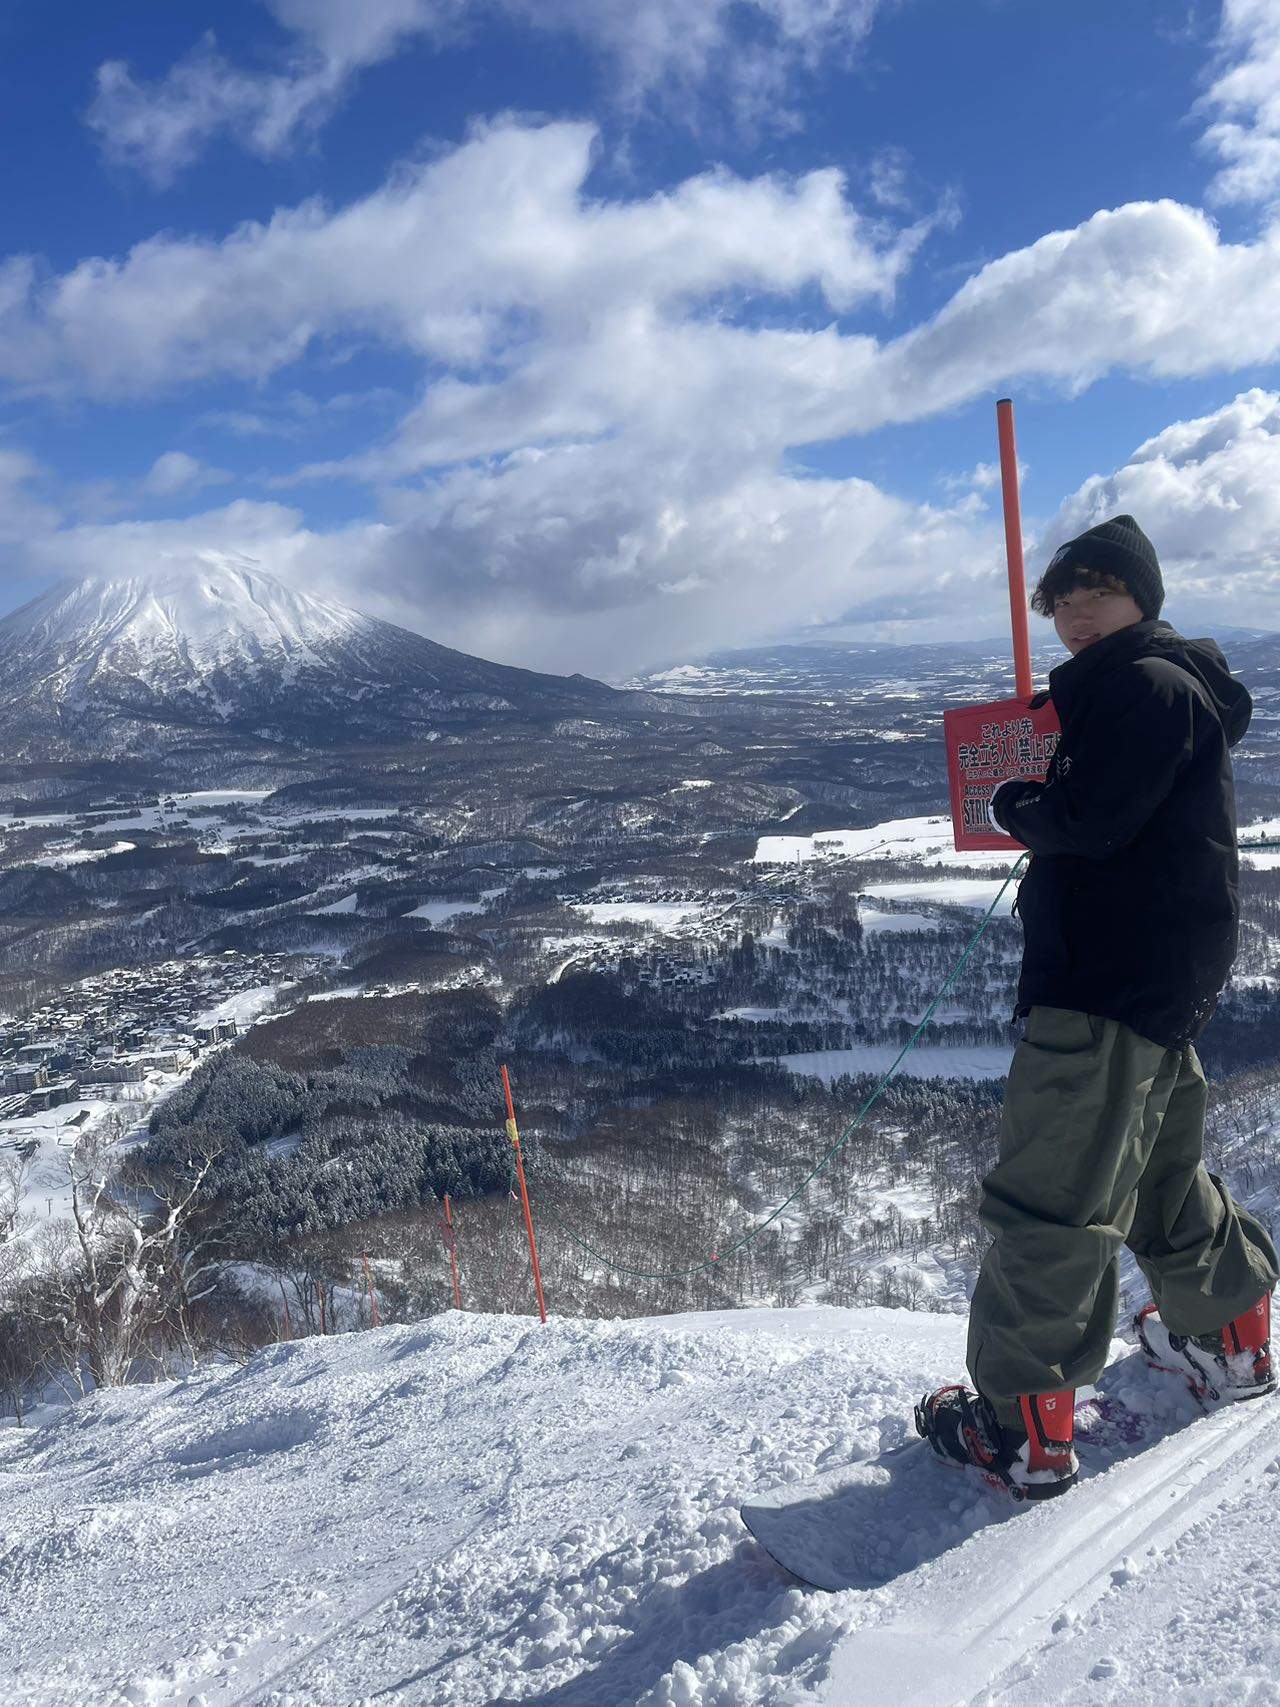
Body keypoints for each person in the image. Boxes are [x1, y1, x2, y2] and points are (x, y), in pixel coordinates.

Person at [916, 514, 1278, 1500]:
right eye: (1058, 602)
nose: (1074, 614)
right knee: (1156, 1169)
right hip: (1156, 977)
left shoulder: (1141, 689)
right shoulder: (1160, 689)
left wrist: (1010, 803)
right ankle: (1227, 1339)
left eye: (1093, 594)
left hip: (1103, 980)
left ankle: (1016, 1425)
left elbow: (1090, 820)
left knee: (1052, 1193)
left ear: (1140, 597)